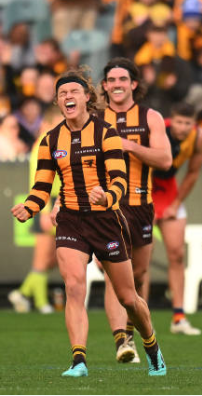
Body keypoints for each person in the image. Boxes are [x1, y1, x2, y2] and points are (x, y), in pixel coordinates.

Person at [11, 68, 166, 378]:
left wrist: (107, 197)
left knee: (128, 297)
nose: (68, 97)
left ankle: (152, 348)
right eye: (62, 94)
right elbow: (43, 186)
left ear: (87, 98)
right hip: (70, 219)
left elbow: (120, 181)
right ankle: (79, 360)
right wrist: (30, 206)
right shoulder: (50, 140)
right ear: (57, 101)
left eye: (74, 92)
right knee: (73, 286)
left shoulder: (106, 133)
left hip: (106, 220)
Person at [98, 57, 172, 364]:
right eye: (111, 80)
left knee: (138, 274)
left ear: (133, 84)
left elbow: (165, 160)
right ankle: (121, 340)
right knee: (113, 275)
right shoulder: (95, 119)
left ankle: (129, 332)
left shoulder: (150, 116)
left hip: (141, 204)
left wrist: (130, 147)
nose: (116, 84)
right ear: (104, 86)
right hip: (105, 205)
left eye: (122, 79)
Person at [152, 102, 202, 335]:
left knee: (177, 254)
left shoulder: (199, 137)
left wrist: (175, 203)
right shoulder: (156, 129)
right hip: (145, 189)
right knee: (140, 260)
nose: (183, 128)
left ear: (193, 123)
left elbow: (193, 172)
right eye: (179, 122)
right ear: (170, 119)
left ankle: (179, 317)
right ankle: (136, 320)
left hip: (169, 192)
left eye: (188, 123)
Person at [8, 105, 63, 314]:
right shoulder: (43, 144)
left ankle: (23, 293)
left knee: (53, 257)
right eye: (57, 123)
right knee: (42, 259)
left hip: (58, 202)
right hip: (46, 202)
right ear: (46, 124)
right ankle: (40, 302)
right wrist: (43, 210)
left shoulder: (57, 142)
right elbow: (37, 180)